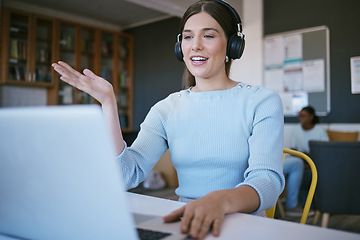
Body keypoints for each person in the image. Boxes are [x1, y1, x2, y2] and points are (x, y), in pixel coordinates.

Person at [52, 0, 285, 239]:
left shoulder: (261, 101)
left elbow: (267, 182)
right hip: (186, 225)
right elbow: (126, 175)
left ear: (233, 45)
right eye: (187, 37)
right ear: (179, 46)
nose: (195, 46)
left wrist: (220, 201)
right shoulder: (166, 108)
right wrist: (108, 103)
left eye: (208, 36)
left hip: (244, 228)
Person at [284, 106, 329, 217]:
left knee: (305, 171)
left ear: (311, 117)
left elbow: (325, 151)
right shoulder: (297, 129)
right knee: (295, 164)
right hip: (300, 161)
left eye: (303, 116)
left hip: (315, 162)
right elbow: (293, 149)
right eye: (299, 116)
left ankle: (298, 206)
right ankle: (295, 205)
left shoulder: (319, 131)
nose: (300, 118)